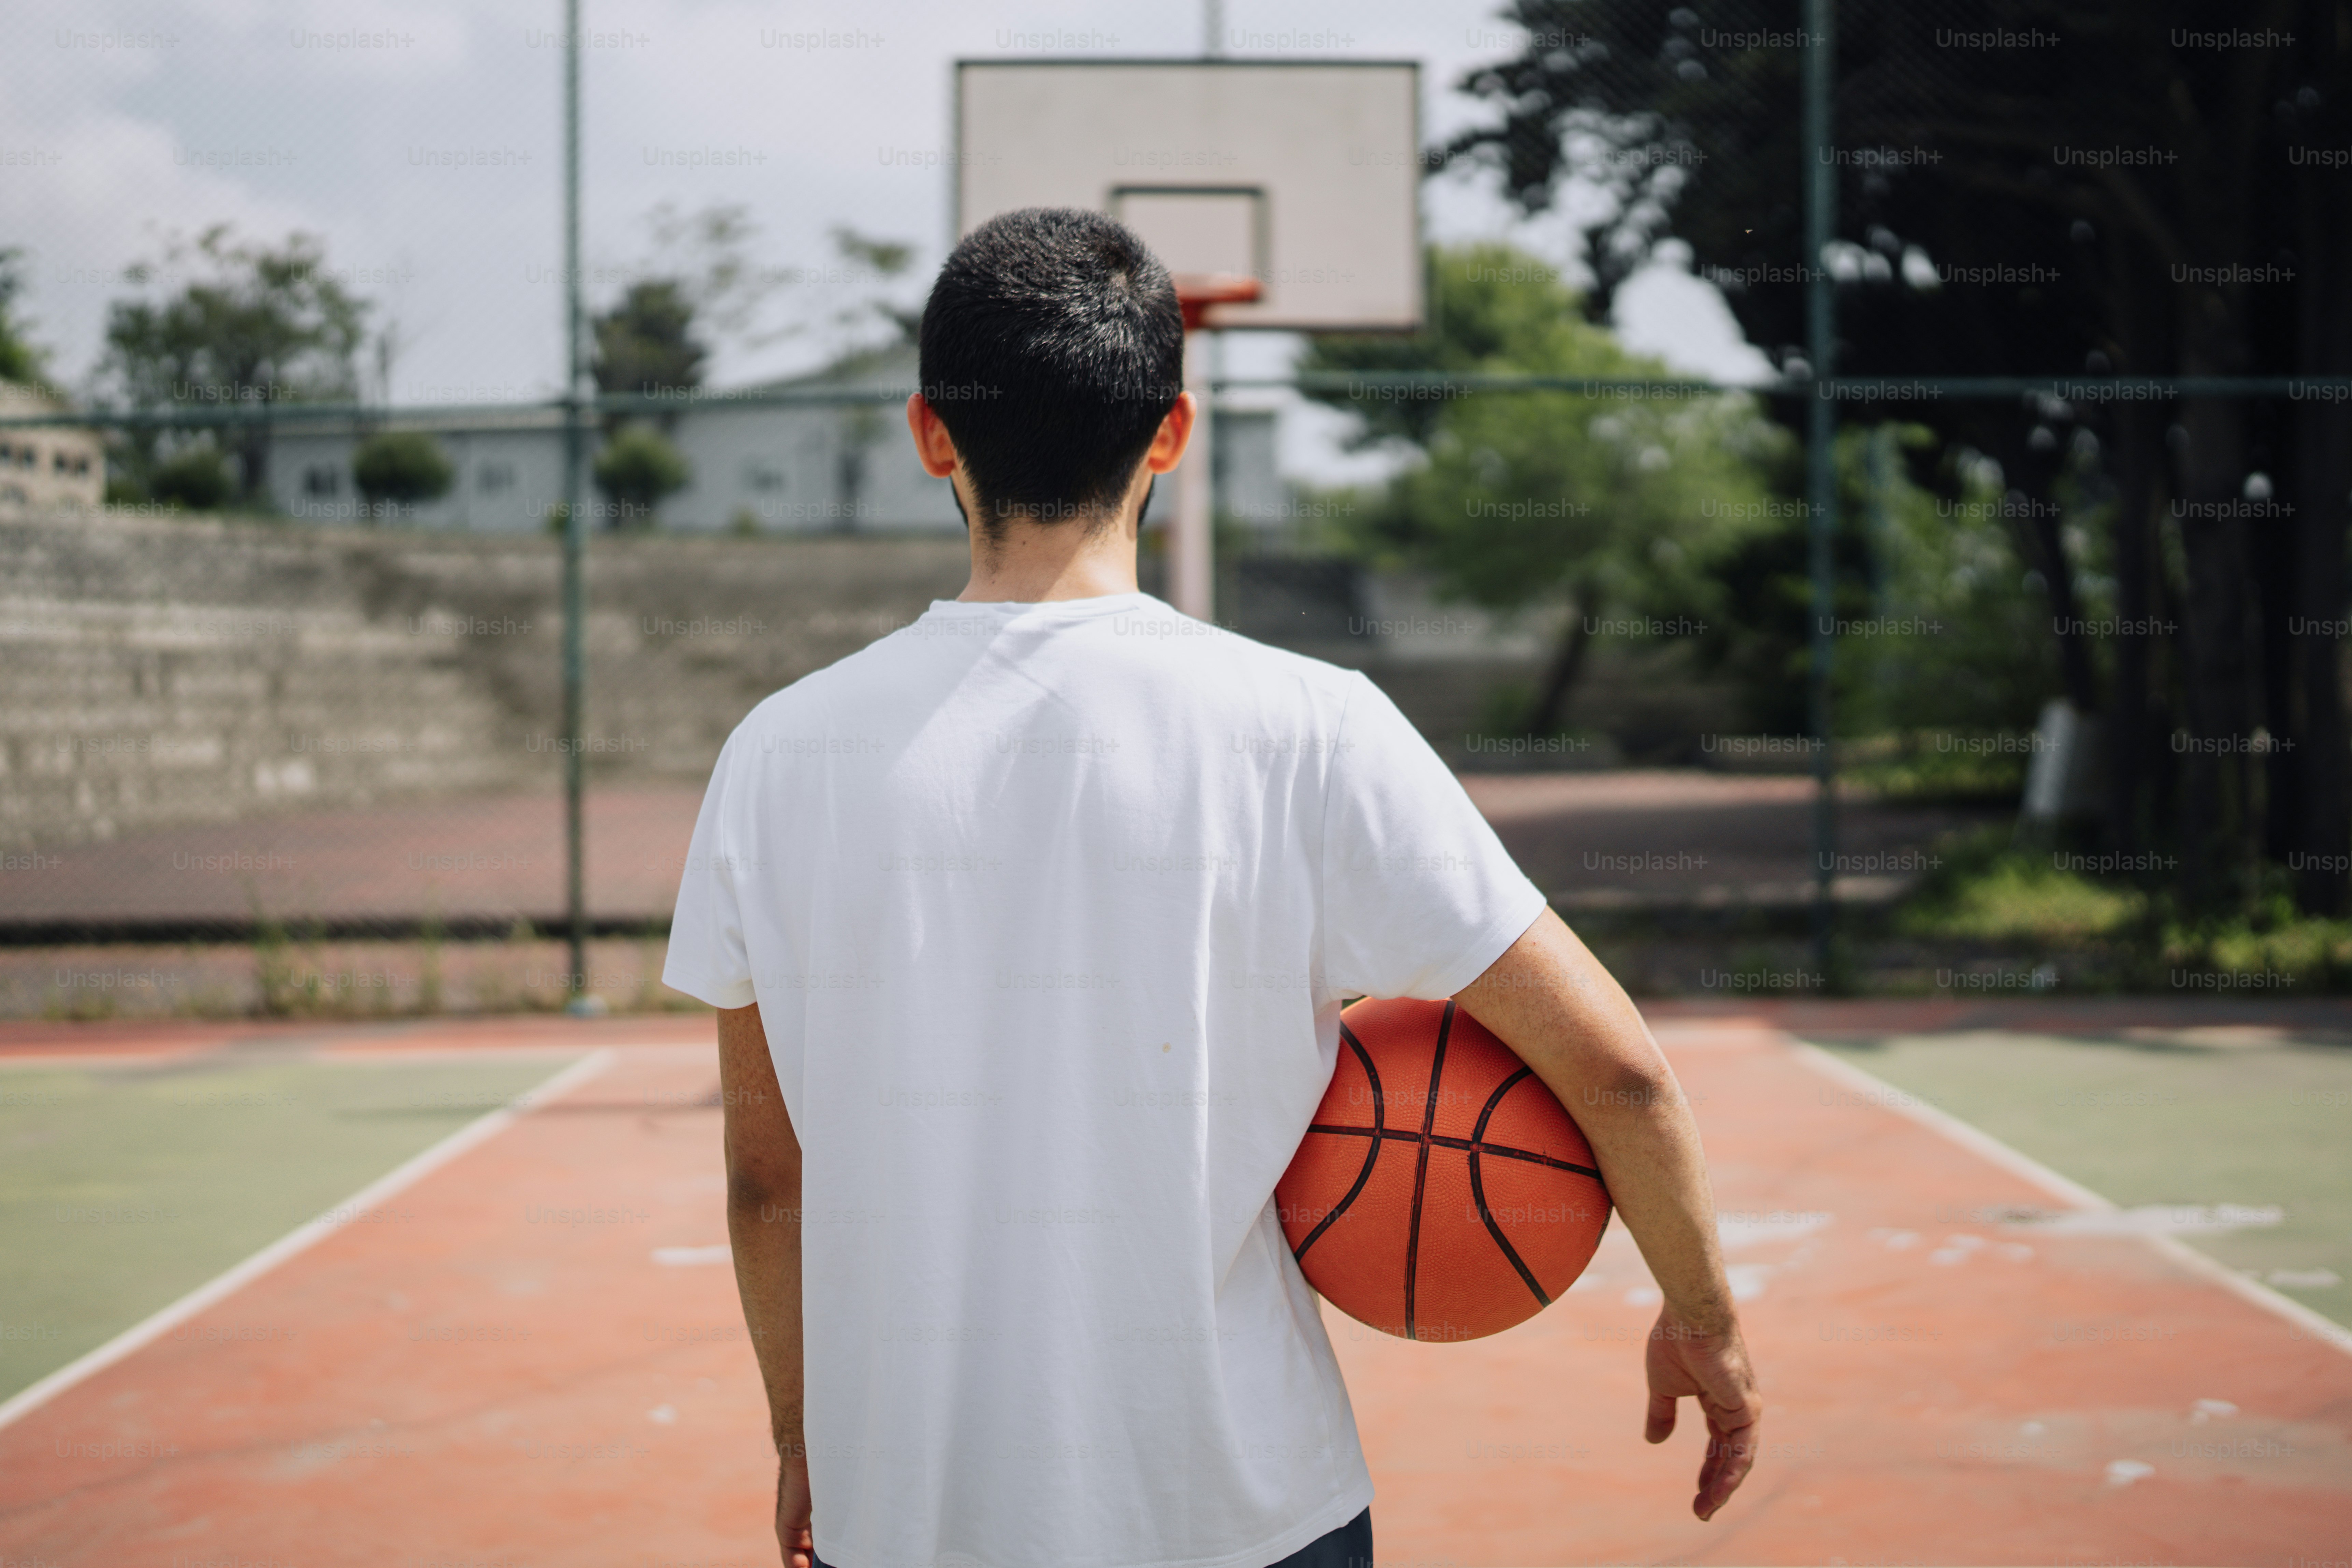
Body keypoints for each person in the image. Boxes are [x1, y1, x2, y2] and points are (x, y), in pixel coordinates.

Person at [663, 206, 1761, 1568]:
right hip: (1242, 1515)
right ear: (1170, 434)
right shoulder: (1311, 726)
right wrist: (1700, 1317)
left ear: (928, 434)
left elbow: (767, 1173)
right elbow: (1619, 1078)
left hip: (907, 1517)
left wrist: (800, 1435)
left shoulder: (779, 754)